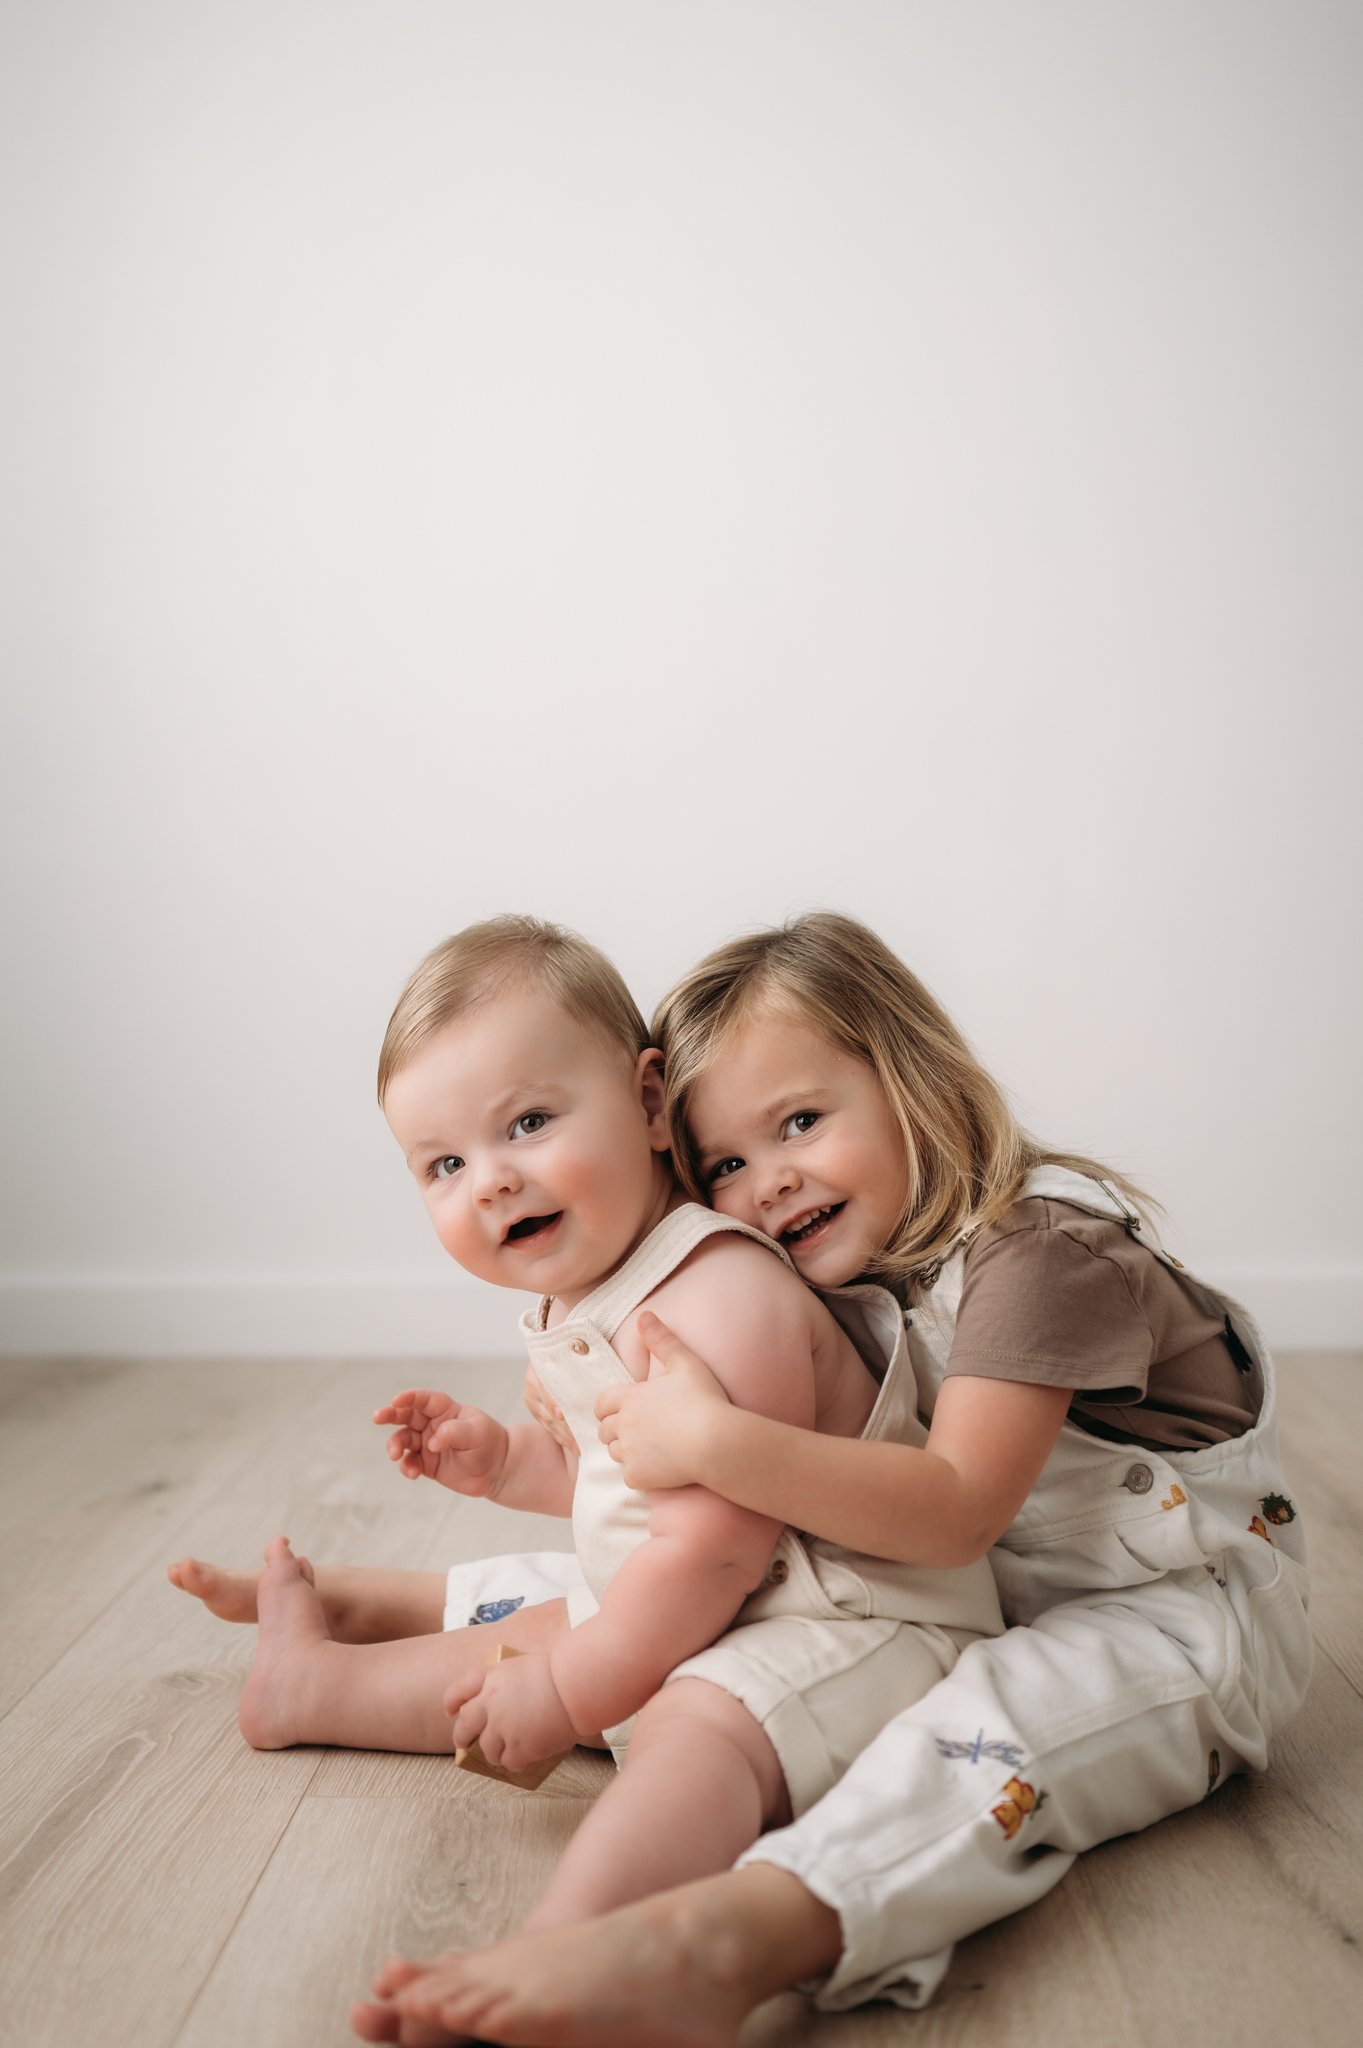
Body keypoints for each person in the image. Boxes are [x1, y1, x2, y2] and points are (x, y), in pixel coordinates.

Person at [355, 910, 1310, 2048]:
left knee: (986, 1745)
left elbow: (953, 1510)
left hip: (1172, 1621)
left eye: (800, 1120)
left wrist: (710, 1442)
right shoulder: (851, 1270)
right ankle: (400, 1608)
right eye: (726, 1163)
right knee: (675, 1574)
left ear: (912, 1074)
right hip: (989, 1588)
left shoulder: (1039, 1251)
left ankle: (733, 1938)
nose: (768, 1182)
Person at [175, 916, 1001, 1946]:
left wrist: (569, 1690)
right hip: (700, 1607)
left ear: (650, 1103)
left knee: (691, 1723)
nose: (490, 1178)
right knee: (520, 1644)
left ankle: (576, 1937)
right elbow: (626, 1483)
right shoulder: (596, 1297)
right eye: (441, 1164)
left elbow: (711, 1551)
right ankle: (314, 1686)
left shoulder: (718, 1290)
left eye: (526, 1123)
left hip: (854, 1622)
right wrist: (511, 1459)